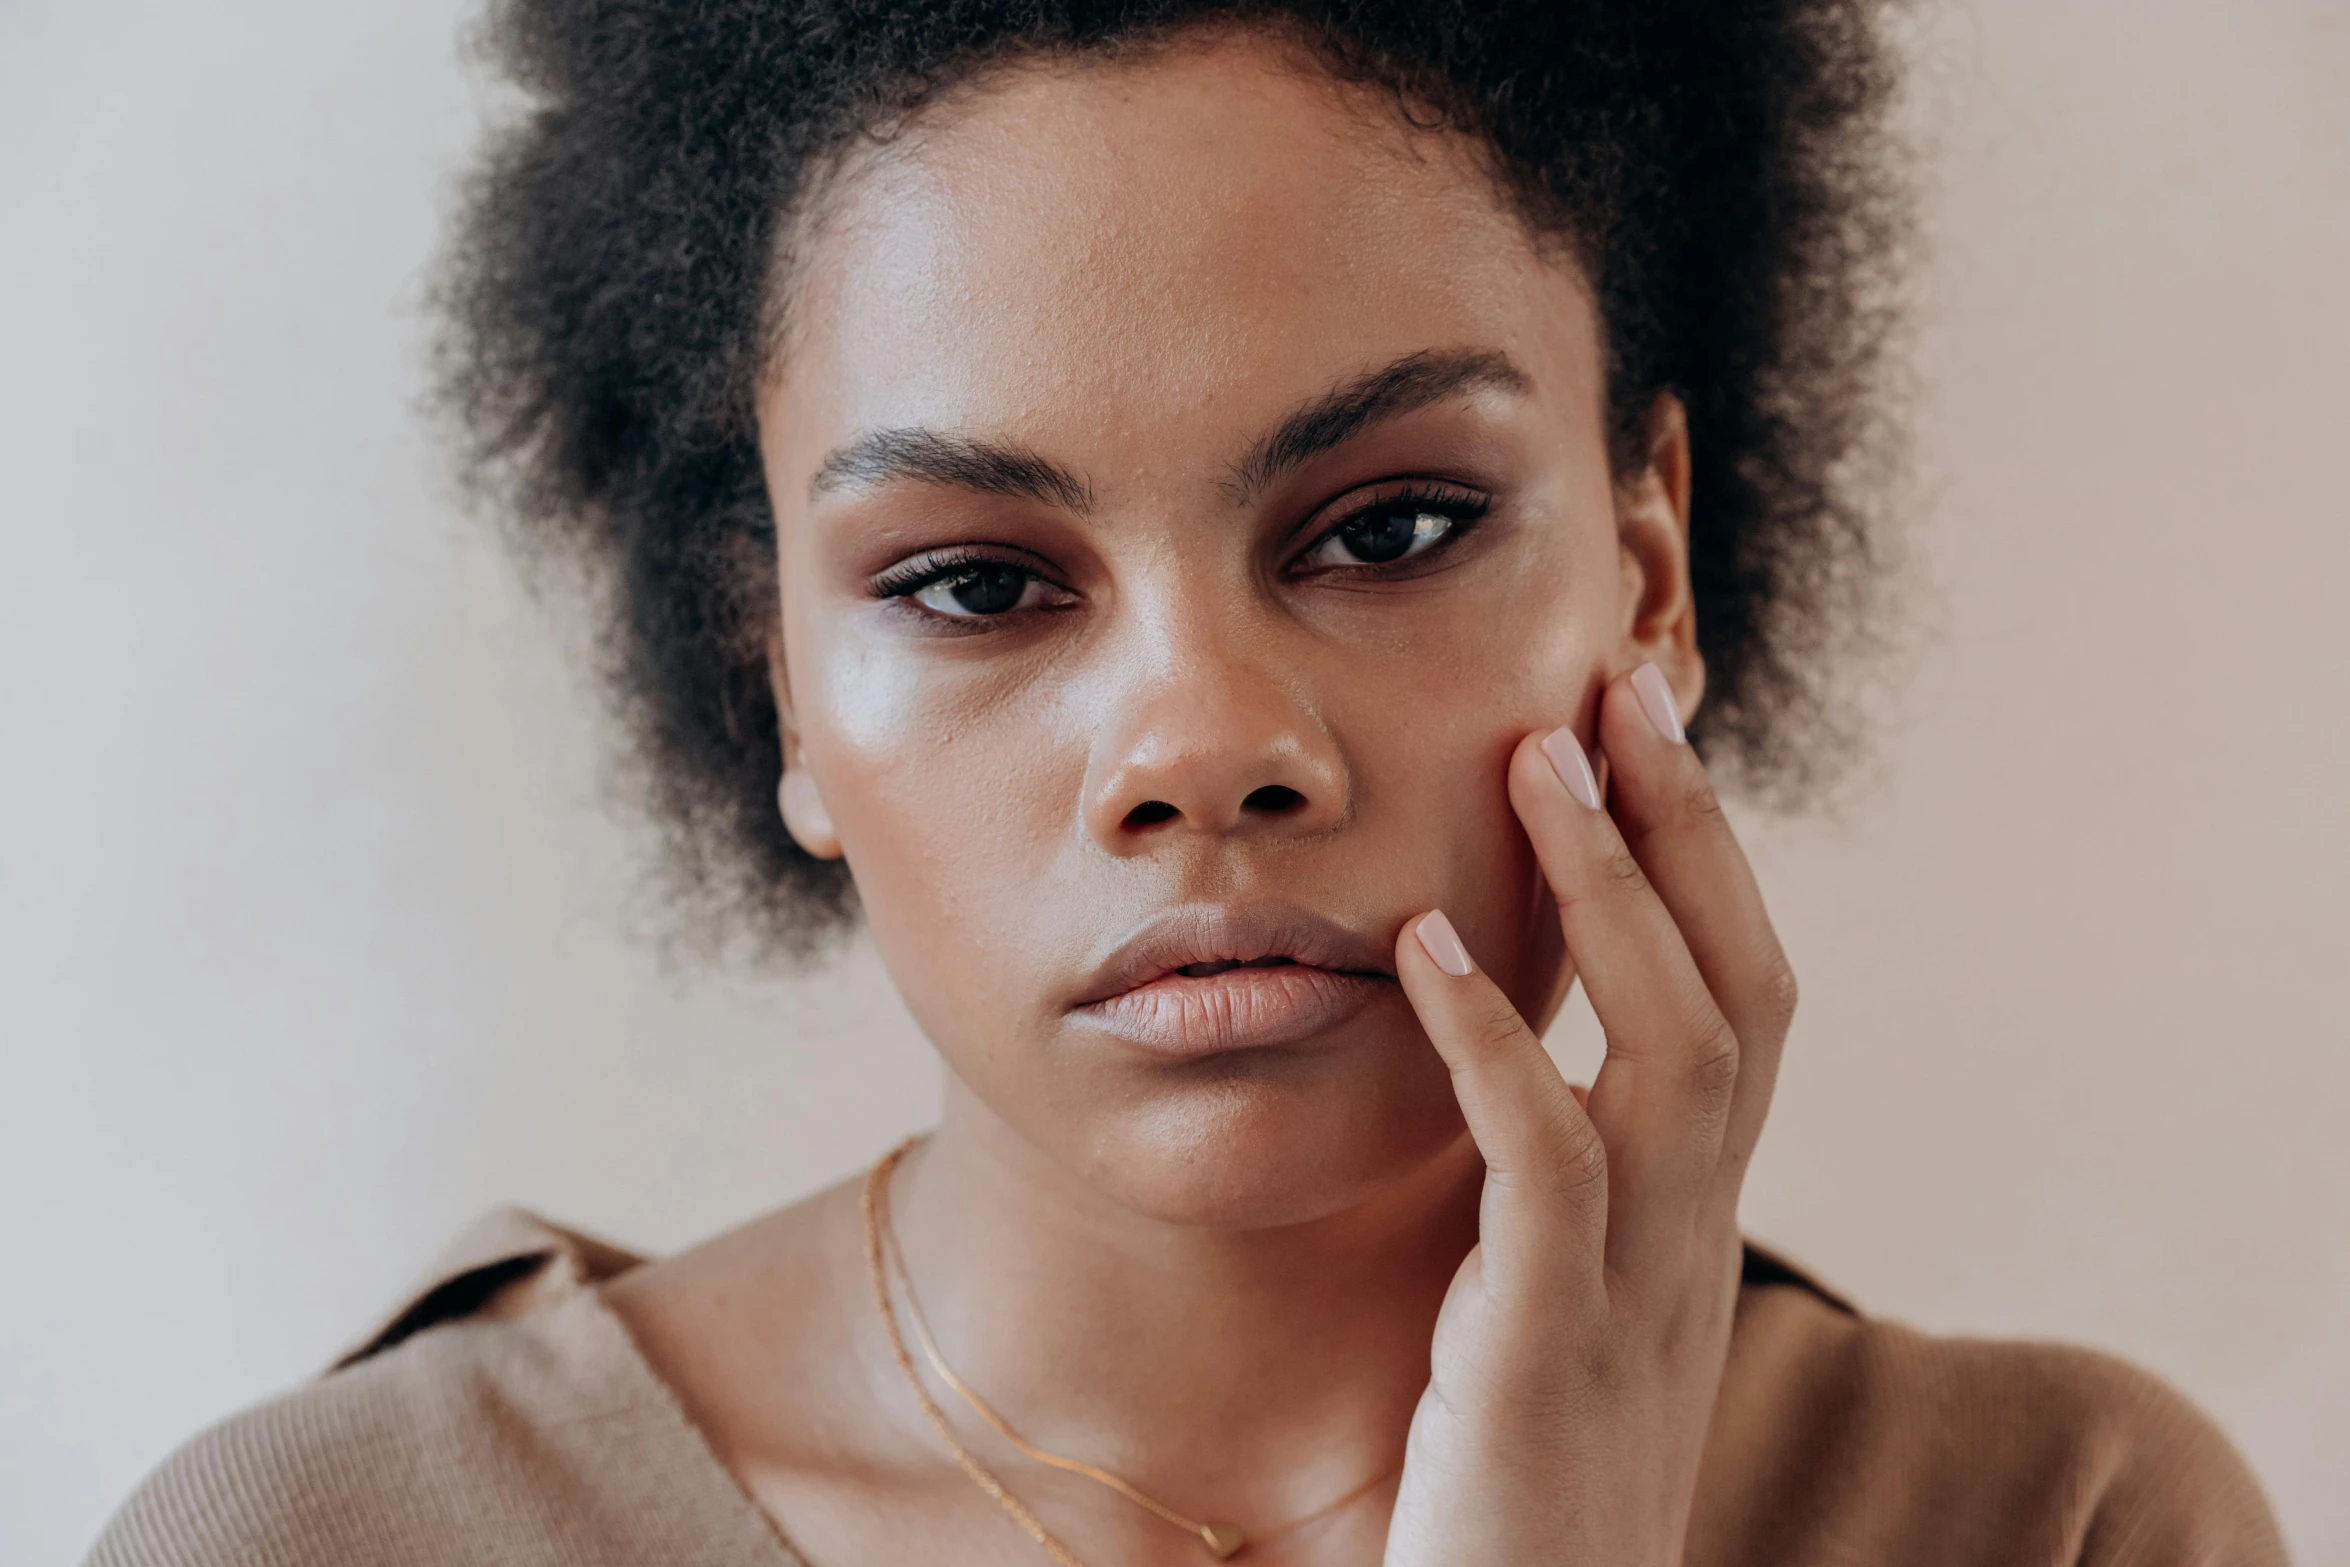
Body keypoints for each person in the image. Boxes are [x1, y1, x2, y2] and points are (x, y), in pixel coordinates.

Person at [88, 2, 2289, 1563]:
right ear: (774, 681)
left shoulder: (2054, 1527)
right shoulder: (343, 1543)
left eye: (1389, 527)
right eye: (972, 583)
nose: (1202, 746)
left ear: (1644, 577)